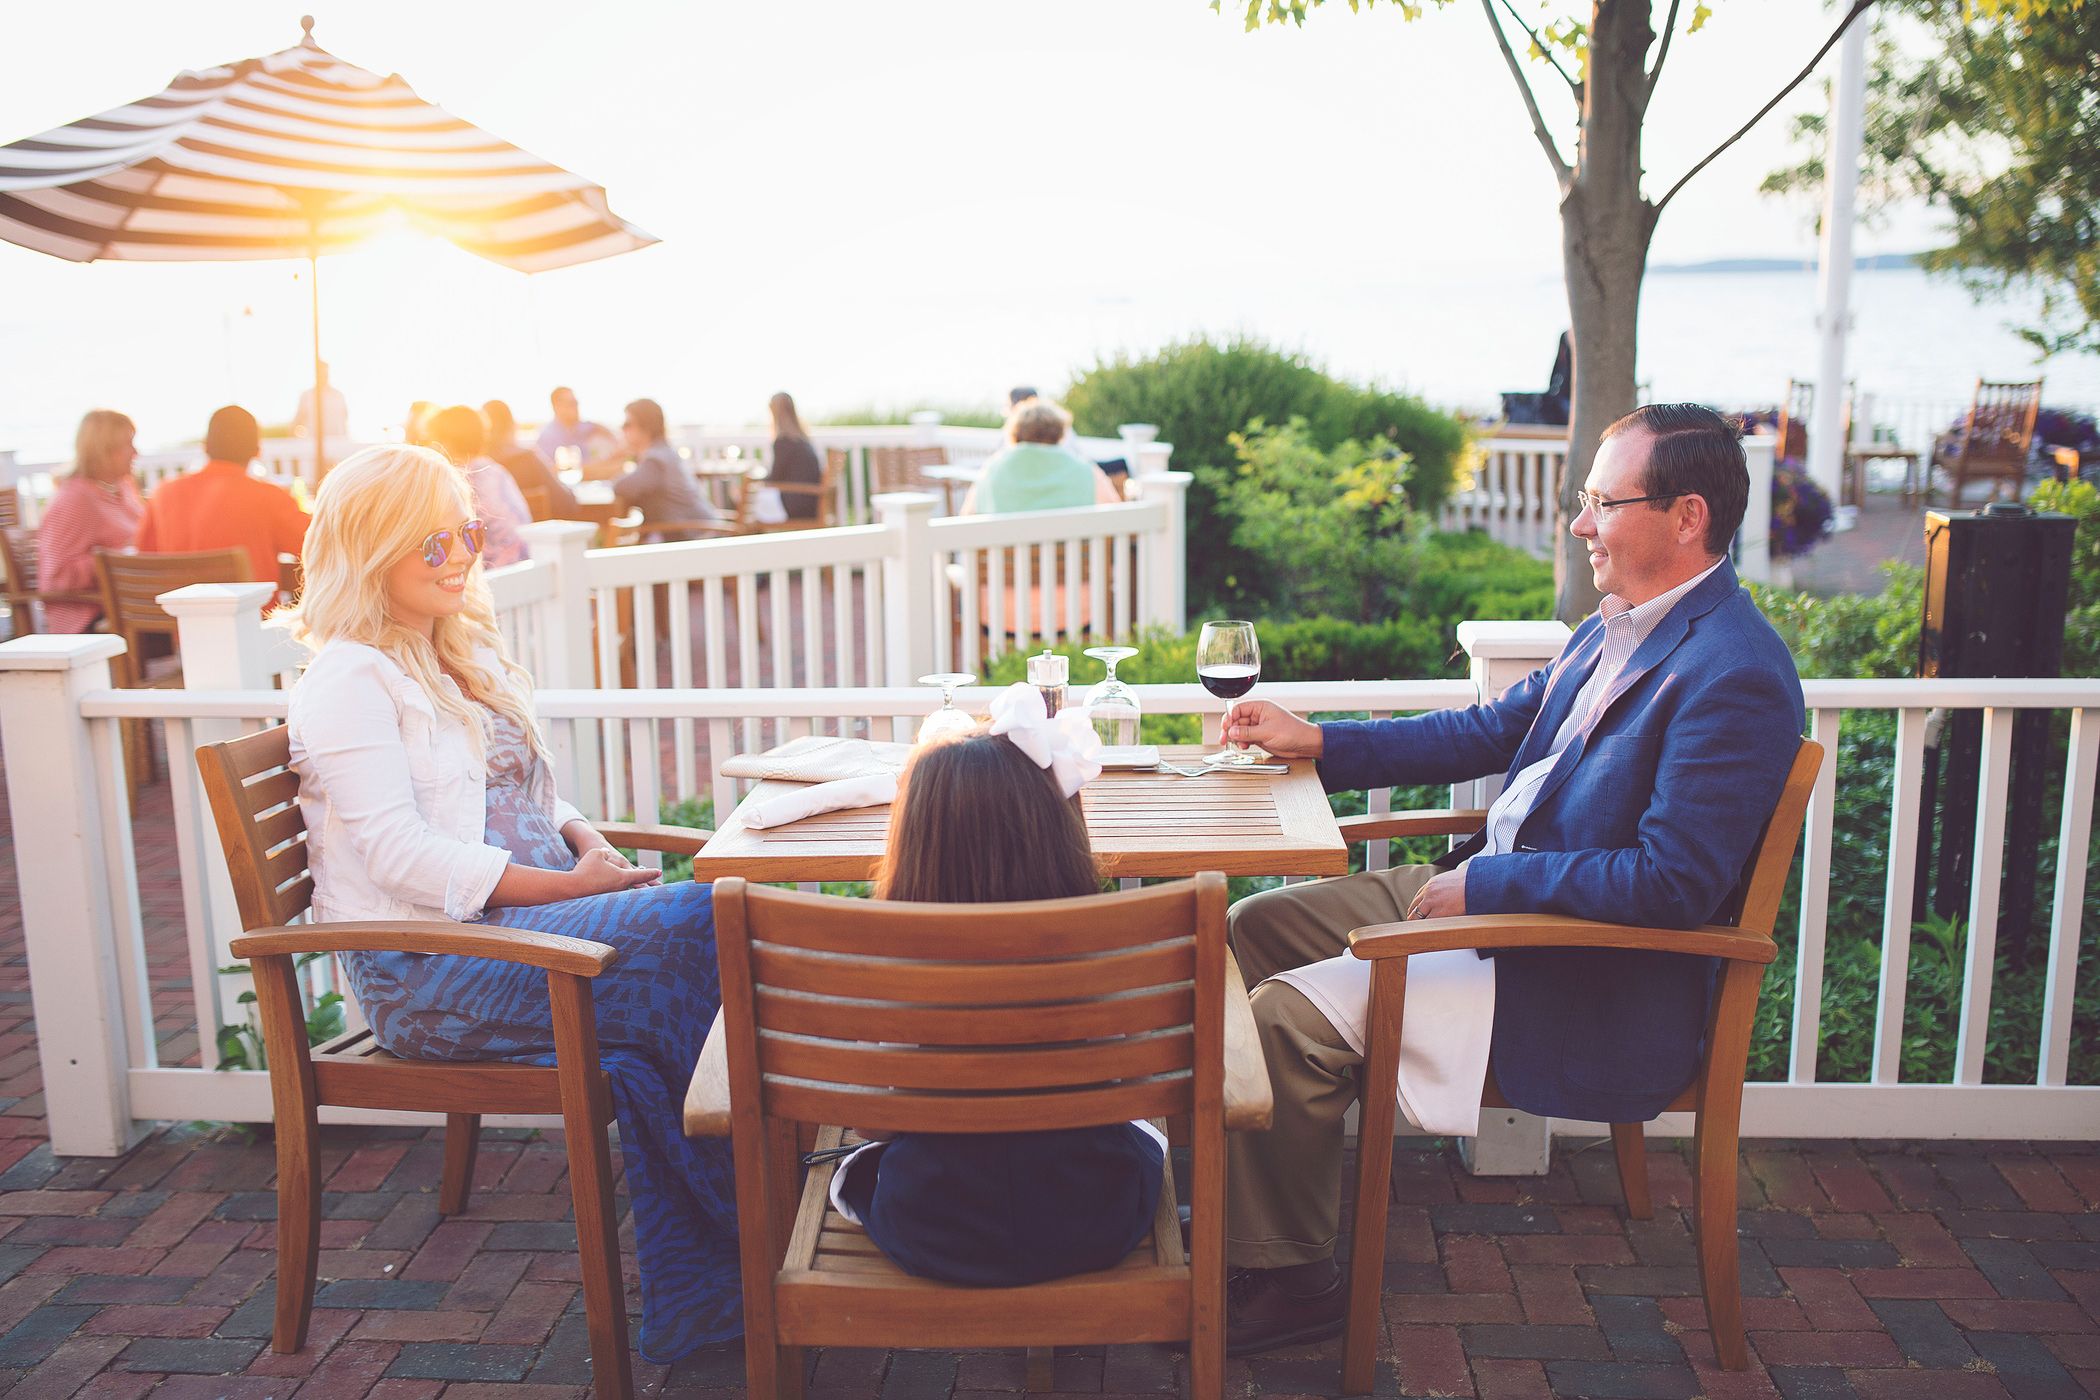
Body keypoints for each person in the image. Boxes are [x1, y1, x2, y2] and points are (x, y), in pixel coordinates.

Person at [1214, 404, 1805, 1355]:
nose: (1580, 524)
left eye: (1603, 503)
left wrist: (1489, 892)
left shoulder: (1734, 674)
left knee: (1283, 1020)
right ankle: (1257, 1191)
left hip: (1563, 969)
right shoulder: (1614, 629)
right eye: (1586, 500)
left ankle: (1288, 1279)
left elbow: (1674, 885)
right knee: (1255, 930)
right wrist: (1317, 740)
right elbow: (1487, 732)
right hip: (1489, 903)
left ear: (1687, 516)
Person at [280, 444, 740, 1361]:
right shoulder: (348, 680)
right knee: (703, 917)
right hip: (433, 968)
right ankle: (743, 1247)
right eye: (431, 543)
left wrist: (584, 842)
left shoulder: (446, 654)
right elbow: (403, 856)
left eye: (467, 533)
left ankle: (727, 1266)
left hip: (520, 933)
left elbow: (519, 795)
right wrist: (570, 891)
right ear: (371, 552)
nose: (459, 557)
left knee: (690, 972)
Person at [825, 685, 1167, 1285]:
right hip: (1092, 1220)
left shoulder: (884, 971)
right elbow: (1135, 1092)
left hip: (936, 1228)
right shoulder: (1110, 956)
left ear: (914, 845)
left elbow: (872, 1123)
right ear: (1053, 832)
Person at [134, 406, 309, 594]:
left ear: (205, 446)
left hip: (179, 620)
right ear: (257, 450)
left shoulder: (163, 494)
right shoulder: (270, 497)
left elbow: (145, 560)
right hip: (251, 620)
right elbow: (318, 545)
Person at [37, 409, 145, 633]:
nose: (136, 453)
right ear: (104, 450)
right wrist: (115, 559)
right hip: (92, 617)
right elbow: (57, 576)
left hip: (130, 605)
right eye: (128, 444)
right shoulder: (74, 499)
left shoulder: (122, 489)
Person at [961, 399, 1121, 515]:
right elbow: (1115, 511)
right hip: (1072, 561)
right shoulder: (1085, 469)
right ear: (1060, 433)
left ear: (1014, 433)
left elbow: (967, 517)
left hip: (1009, 561)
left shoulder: (993, 469)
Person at [591, 398, 717, 542]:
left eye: (627, 424)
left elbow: (622, 487)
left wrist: (617, 458)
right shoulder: (662, 452)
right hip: (698, 532)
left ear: (646, 427)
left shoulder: (656, 460)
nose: (622, 429)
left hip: (697, 539)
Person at [426, 405, 533, 567]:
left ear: (445, 441)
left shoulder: (456, 478)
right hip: (527, 559)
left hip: (497, 570)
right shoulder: (494, 470)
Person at [482, 400, 578, 521]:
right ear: (511, 425)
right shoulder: (528, 459)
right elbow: (566, 505)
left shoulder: (476, 468)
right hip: (537, 537)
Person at [766, 391, 823, 522]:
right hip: (811, 501)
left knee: (746, 501)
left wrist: (756, 481)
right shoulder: (801, 439)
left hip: (796, 505)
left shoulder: (783, 441)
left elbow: (774, 478)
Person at [536, 386, 615, 468]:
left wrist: (617, 443)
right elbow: (555, 471)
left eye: (576, 403)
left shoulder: (579, 427)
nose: (576, 407)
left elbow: (597, 427)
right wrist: (610, 460)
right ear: (556, 407)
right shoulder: (548, 436)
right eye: (571, 403)